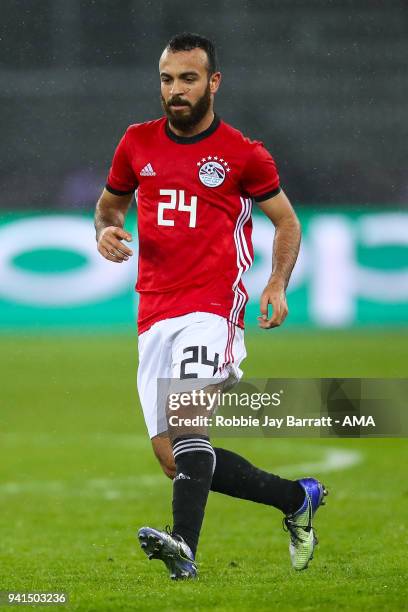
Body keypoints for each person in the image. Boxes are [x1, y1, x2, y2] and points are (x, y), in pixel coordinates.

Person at [94, 32, 327, 580]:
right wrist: (106, 231)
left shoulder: (244, 154)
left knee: (187, 420)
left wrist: (276, 285)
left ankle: (183, 547)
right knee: (175, 458)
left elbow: (287, 221)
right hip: (153, 312)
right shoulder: (136, 143)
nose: (175, 90)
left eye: (188, 78)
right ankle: (297, 498)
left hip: (212, 306)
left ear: (213, 82)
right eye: (167, 79)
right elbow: (109, 207)